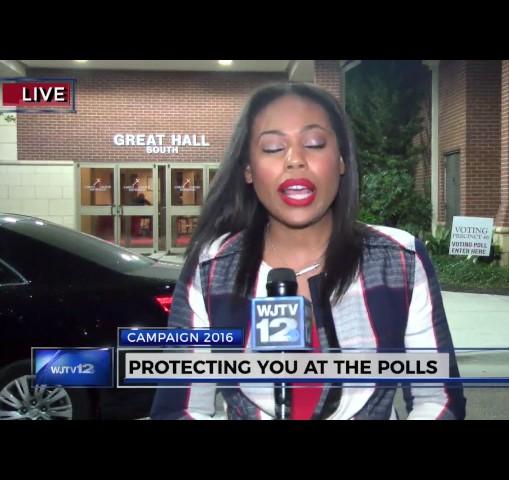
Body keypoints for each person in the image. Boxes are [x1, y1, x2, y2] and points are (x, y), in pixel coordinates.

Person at [150, 82, 466, 420]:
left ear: (342, 160)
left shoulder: (399, 261)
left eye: (315, 143)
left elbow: (438, 398)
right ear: (248, 170)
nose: (295, 160)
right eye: (272, 147)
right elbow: (179, 407)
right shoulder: (211, 268)